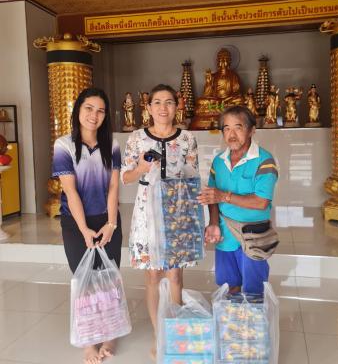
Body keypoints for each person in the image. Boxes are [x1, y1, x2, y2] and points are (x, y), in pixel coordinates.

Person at [121, 83, 199, 359]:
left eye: (169, 102)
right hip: (147, 212)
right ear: (149, 107)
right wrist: (141, 168)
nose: (163, 108)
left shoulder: (187, 138)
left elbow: (193, 177)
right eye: (157, 102)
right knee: (153, 274)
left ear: (177, 106)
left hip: (178, 210)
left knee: (175, 274)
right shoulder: (136, 139)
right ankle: (159, 335)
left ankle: (174, 333)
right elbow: (125, 177)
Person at [52, 87, 122, 364]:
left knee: (109, 278)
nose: (94, 115)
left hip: (107, 220)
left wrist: (111, 223)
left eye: (101, 110)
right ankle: (90, 340)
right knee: (84, 280)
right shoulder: (64, 145)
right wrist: (83, 229)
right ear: (78, 110)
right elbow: (71, 191)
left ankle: (110, 334)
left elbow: (114, 187)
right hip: (75, 222)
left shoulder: (112, 145)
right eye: (89, 108)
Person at [198, 106, 278, 294]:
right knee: (228, 286)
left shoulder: (264, 160)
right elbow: (213, 197)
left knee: (254, 291)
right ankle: (231, 313)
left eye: (238, 127)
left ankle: (254, 313)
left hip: (254, 235)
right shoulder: (219, 161)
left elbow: (261, 202)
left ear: (251, 130)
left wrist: (224, 196)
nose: (231, 134)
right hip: (226, 233)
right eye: (226, 128)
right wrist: (214, 223)